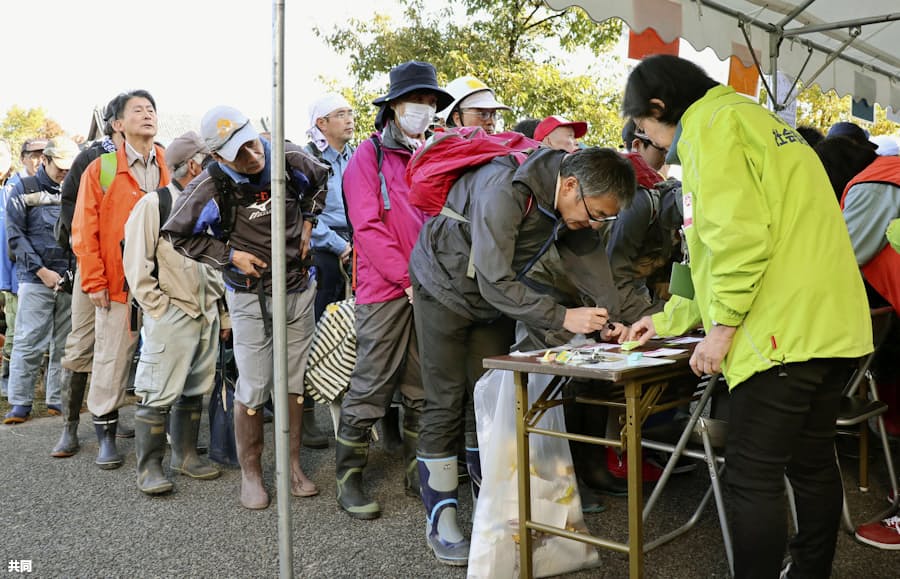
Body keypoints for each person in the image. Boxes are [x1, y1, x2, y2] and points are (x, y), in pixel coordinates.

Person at [622, 54, 873, 579]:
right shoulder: (755, 119)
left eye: (644, 127)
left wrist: (721, 331)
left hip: (778, 332)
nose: (652, 142)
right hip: (829, 327)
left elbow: (736, 240)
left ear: (659, 107)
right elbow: (711, 253)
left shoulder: (710, 129)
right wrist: (668, 320)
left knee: (751, 478)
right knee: (811, 466)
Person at [409, 145, 635, 565]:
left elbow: (590, 263)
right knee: (445, 397)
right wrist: (564, 316)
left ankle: (491, 506)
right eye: (596, 214)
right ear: (569, 185)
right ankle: (440, 516)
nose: (595, 223)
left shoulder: (572, 201)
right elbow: (495, 280)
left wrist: (610, 320)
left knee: (490, 396)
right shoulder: (505, 190)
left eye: (606, 218)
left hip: (494, 298)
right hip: (442, 285)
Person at [162, 105, 329, 510]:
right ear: (217, 157)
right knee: (254, 383)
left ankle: (291, 467)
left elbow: (321, 180)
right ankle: (252, 473)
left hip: (298, 287)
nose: (253, 156)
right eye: (239, 153)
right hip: (249, 294)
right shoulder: (208, 185)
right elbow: (177, 235)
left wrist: (308, 222)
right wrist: (230, 255)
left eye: (252, 143)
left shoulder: (288, 157)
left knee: (293, 380)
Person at [335, 61, 453, 521]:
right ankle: (349, 477)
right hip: (385, 289)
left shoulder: (434, 153)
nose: (423, 109)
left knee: (422, 382)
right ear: (392, 108)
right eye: (416, 101)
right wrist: (406, 278)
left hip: (429, 287)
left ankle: (414, 467)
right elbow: (366, 226)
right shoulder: (368, 157)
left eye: (429, 102)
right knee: (372, 380)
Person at [71, 89, 170, 470]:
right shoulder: (103, 169)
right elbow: (84, 230)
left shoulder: (168, 163)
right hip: (116, 283)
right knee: (112, 358)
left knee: (164, 355)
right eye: (138, 110)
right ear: (118, 124)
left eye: (151, 109)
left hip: (163, 284)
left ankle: (161, 431)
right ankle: (106, 435)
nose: (147, 115)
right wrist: (94, 280)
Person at [123, 131, 224, 495]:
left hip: (206, 311)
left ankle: (185, 455)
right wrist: (159, 309)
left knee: (196, 387)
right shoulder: (156, 204)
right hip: (172, 312)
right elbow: (136, 264)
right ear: (194, 164)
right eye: (210, 160)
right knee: (157, 391)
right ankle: (149, 467)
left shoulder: (213, 204)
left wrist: (220, 311)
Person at [51, 93, 128, 458]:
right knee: (81, 344)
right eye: (135, 112)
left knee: (122, 347)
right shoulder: (93, 159)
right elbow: (72, 212)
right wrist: (90, 263)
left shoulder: (155, 159)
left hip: (134, 269)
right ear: (116, 122)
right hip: (92, 265)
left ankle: (110, 416)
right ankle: (69, 427)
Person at [2, 137, 78, 424]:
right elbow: (15, 237)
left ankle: (57, 400)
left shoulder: (76, 187)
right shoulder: (22, 189)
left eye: (69, 168)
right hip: (35, 278)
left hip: (69, 279)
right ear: (44, 160)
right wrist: (42, 272)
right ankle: (19, 402)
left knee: (65, 343)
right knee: (28, 341)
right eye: (60, 167)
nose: (64, 173)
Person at [303, 93, 356, 449]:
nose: (349, 119)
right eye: (340, 114)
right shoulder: (307, 158)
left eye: (351, 113)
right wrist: (341, 247)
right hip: (323, 250)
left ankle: (352, 411)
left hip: (356, 246)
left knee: (353, 328)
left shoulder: (358, 155)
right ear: (321, 124)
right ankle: (305, 413)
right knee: (315, 332)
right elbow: (306, 215)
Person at [0, 138, 48, 397]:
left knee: (39, 333)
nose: (39, 159)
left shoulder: (48, 188)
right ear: (23, 157)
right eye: (34, 154)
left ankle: (37, 385)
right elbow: (12, 239)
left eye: (44, 154)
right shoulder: (14, 188)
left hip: (39, 275)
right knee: (19, 331)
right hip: (16, 274)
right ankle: (10, 383)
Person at [440, 75, 509, 134]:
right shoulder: (438, 148)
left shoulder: (506, 147)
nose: (491, 122)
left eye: (494, 115)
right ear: (457, 118)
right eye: (483, 114)